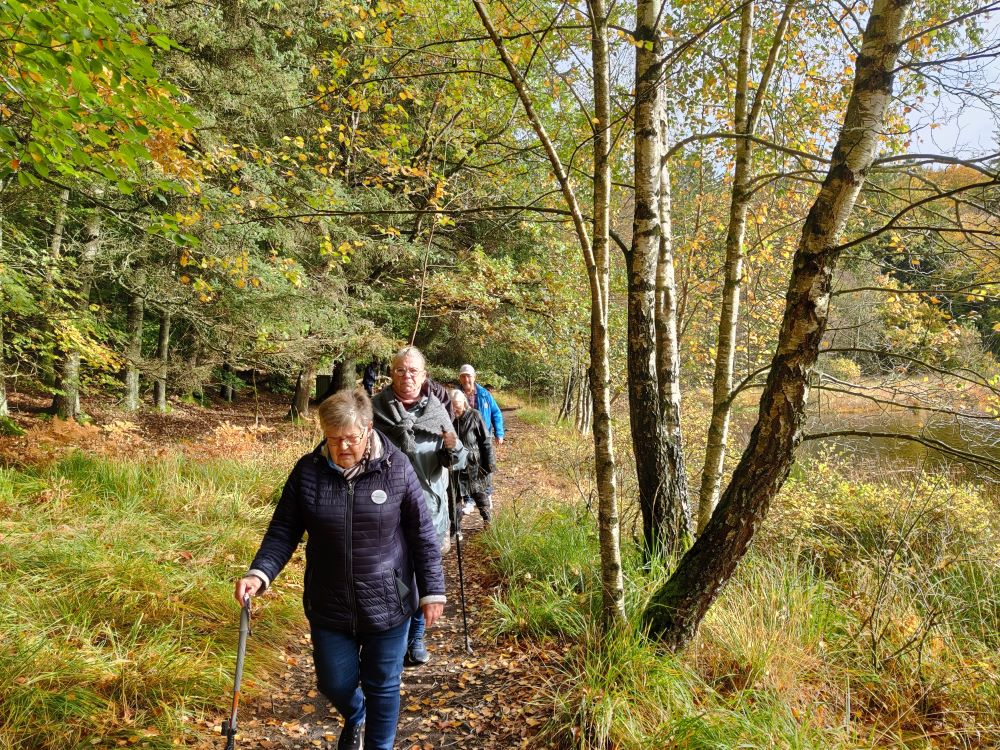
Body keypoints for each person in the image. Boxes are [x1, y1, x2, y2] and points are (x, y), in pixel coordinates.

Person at [234, 389, 445, 750]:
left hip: (392, 595)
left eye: (351, 438)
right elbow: (283, 531)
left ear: (368, 428)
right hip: (329, 599)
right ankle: (355, 714)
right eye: (333, 439)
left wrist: (432, 590)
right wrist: (259, 573)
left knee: (383, 683)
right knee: (334, 682)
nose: (342, 448)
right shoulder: (307, 472)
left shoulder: (396, 469)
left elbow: (422, 535)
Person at [372, 345, 466, 667]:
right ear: (391, 373)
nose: (407, 376)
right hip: (386, 512)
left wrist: (454, 450)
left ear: (424, 376)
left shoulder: (438, 412)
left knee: (424, 574)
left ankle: (417, 637)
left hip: (430, 508)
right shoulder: (374, 411)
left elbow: (459, 457)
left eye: (413, 371)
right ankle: (398, 636)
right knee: (395, 576)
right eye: (400, 370)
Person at [457, 364, 504, 509]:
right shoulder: (456, 395)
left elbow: (496, 413)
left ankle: (487, 493)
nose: (466, 379)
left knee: (486, 464)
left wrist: (499, 433)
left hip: (484, 435)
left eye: (469, 376)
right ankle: (469, 499)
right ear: (460, 378)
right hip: (464, 437)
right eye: (463, 376)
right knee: (465, 468)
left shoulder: (484, 394)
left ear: (474, 377)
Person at [450, 389, 495, 525]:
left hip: (473, 465)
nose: (455, 409)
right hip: (454, 466)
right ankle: (455, 529)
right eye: (452, 405)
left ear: (464, 403)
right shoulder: (447, 419)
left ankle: (488, 523)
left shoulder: (475, 415)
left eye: (457, 405)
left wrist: (490, 463)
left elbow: (486, 440)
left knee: (479, 494)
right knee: (454, 499)